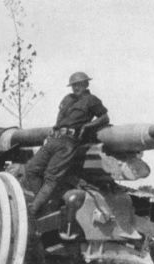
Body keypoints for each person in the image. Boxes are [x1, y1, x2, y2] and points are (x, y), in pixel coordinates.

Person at [25, 71, 110, 217]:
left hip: (68, 142)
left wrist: (87, 126)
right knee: (31, 169)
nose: (76, 88)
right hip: (54, 138)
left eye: (79, 85)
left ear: (86, 84)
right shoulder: (67, 99)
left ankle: (34, 210)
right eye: (74, 85)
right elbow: (58, 120)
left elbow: (104, 117)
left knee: (51, 177)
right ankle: (43, 204)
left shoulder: (92, 100)